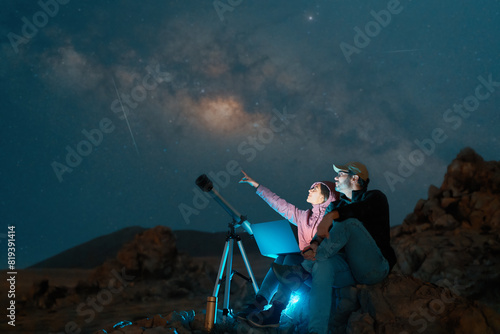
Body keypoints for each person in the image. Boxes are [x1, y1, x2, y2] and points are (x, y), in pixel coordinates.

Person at [272, 162, 397, 334]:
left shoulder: (375, 198)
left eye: (341, 174)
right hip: (348, 270)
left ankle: (302, 271)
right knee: (323, 265)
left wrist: (331, 216)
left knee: (350, 224)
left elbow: (359, 210)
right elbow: (323, 234)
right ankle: (316, 330)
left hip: (374, 267)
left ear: (355, 178)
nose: (335, 178)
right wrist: (314, 244)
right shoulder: (335, 206)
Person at [236, 170, 339, 328]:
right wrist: (257, 186)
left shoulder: (332, 221)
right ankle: (258, 303)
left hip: (315, 273)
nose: (309, 190)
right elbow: (279, 204)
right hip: (300, 270)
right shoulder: (303, 216)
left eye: (315, 189)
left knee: (291, 258)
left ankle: (276, 311)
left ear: (326, 197)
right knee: (282, 256)